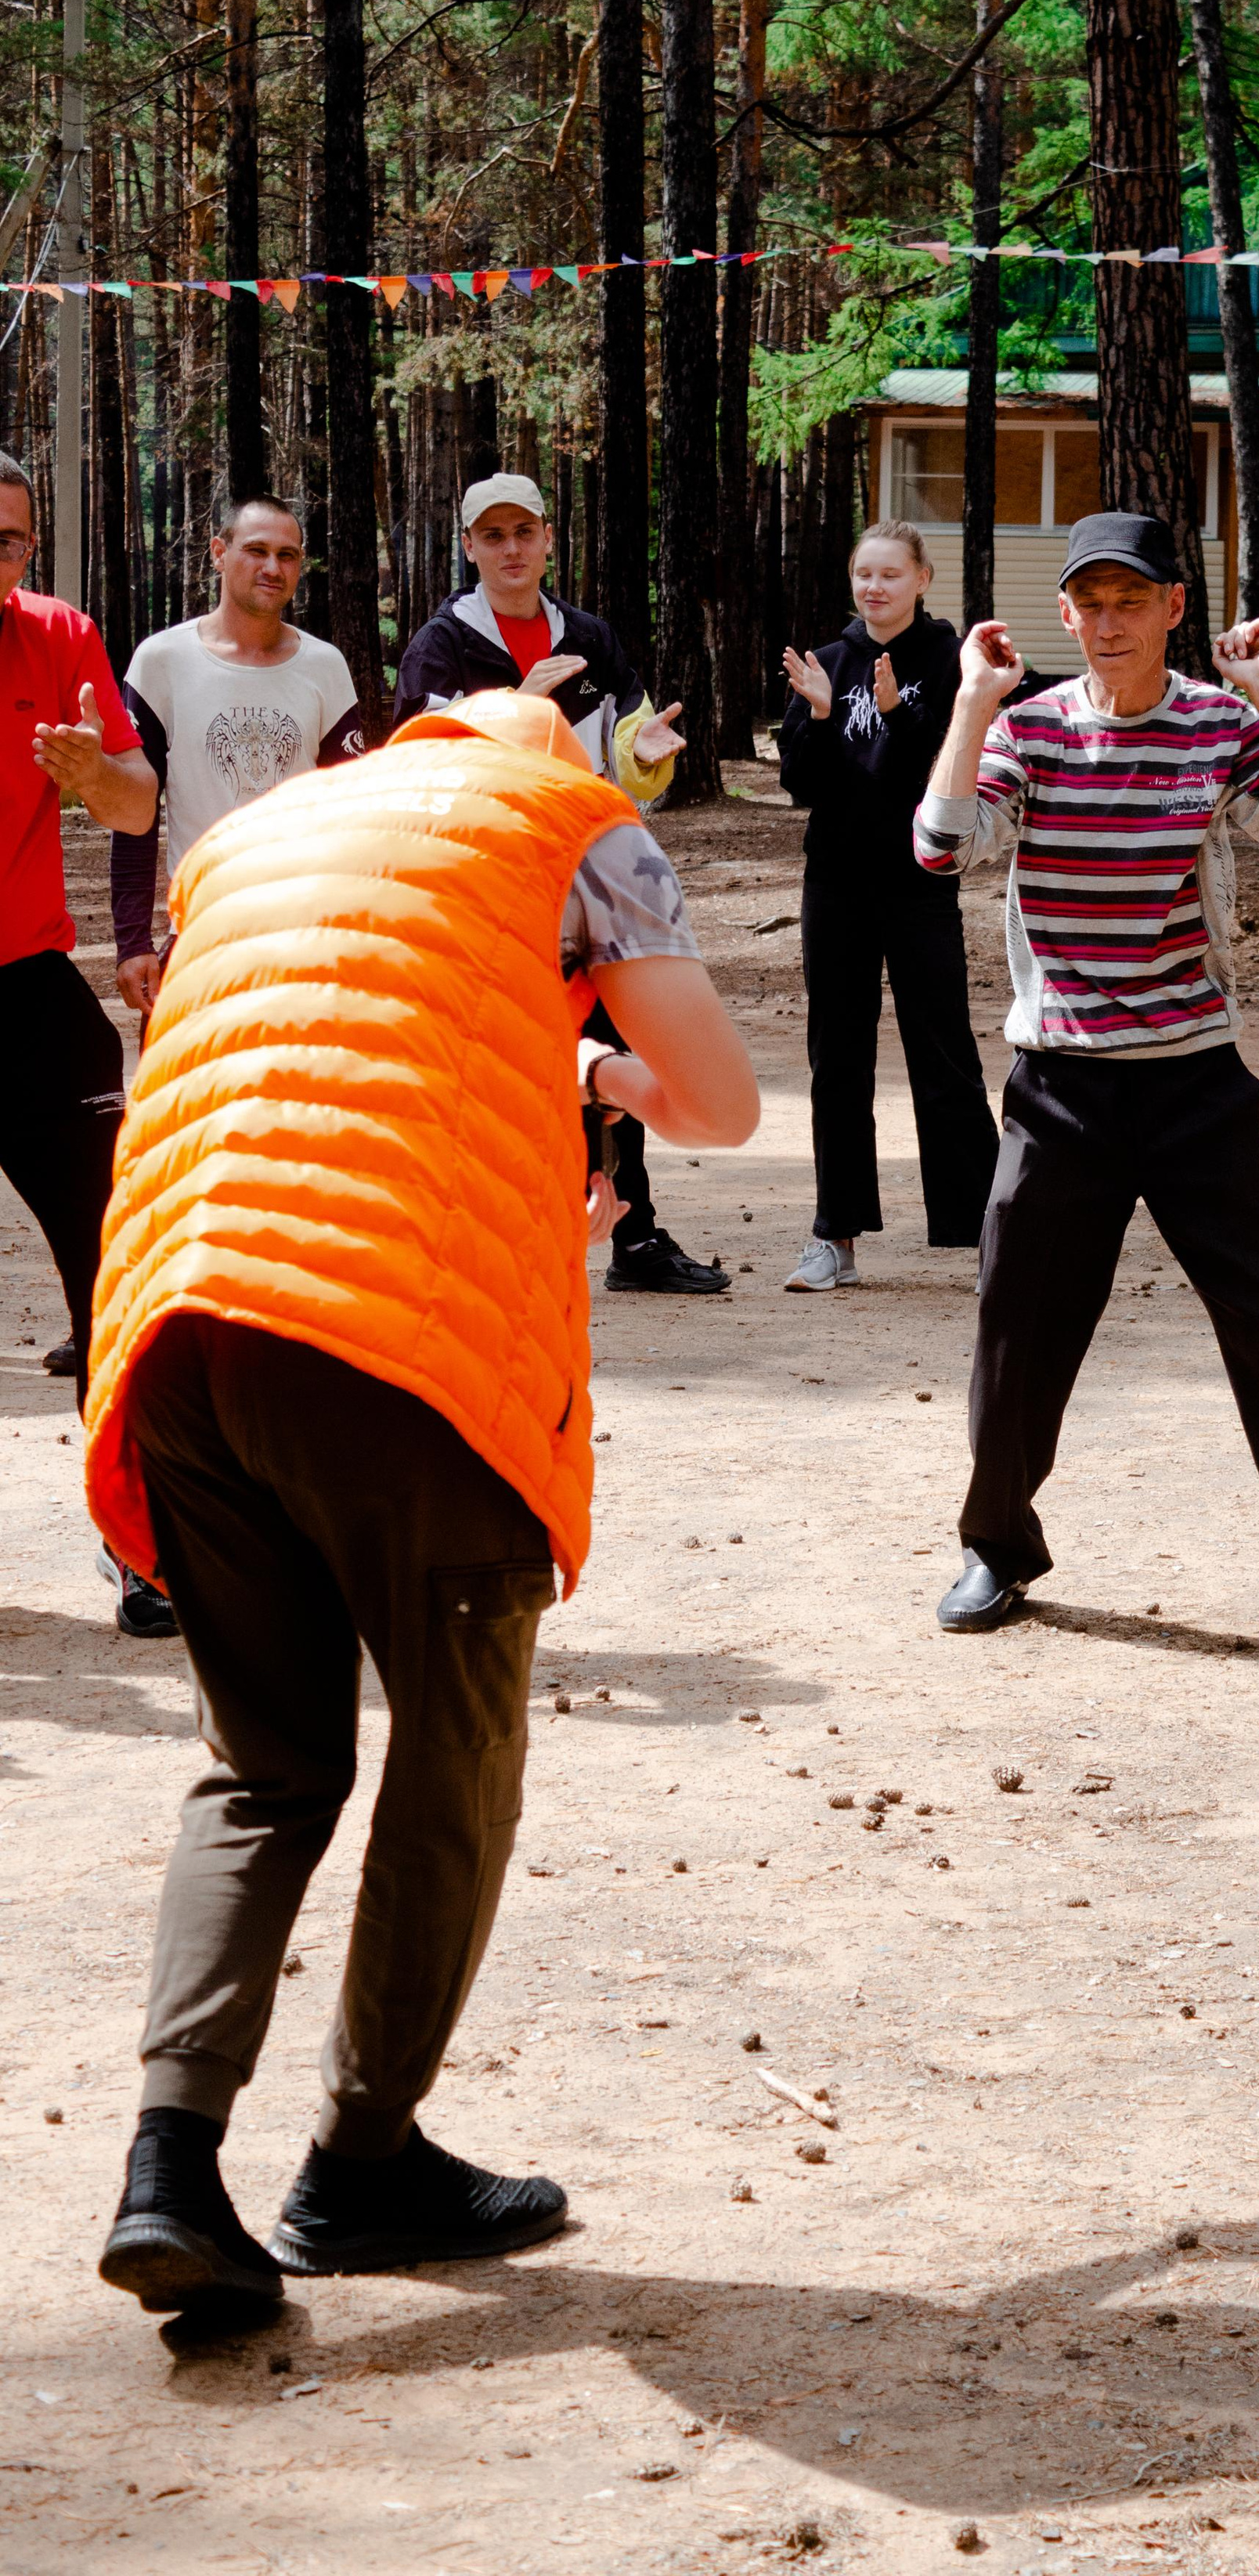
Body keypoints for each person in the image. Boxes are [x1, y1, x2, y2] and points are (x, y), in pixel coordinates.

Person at [88, 687, 758, 2318]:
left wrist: (561, 1072)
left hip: (179, 1321)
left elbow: (342, 1060)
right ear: (545, 768)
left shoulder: (259, 834)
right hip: (389, 1353)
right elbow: (723, 1104)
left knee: (264, 1767)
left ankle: (168, 2166)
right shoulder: (567, 826)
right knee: (451, 1756)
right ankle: (364, 2164)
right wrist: (617, 1069)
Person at [911, 510, 1259, 1647]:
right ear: (1064, 615)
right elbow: (940, 847)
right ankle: (997, 1550)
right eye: (1093, 603)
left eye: (1137, 601)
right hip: (1061, 1087)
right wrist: (974, 705)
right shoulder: (1029, 733)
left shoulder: (1217, 728)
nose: (1112, 622)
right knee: (1015, 1329)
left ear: (1177, 609)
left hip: (1194, 1083)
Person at [395, 472, 727, 1298]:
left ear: (548, 539)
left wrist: (645, 751)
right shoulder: (441, 647)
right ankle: (499, 1231)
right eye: (493, 536)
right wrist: (516, 705)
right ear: (469, 546)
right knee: (513, 1058)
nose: (511, 549)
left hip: (592, 883)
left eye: (525, 532)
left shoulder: (590, 636)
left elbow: (624, 766)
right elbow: (419, 771)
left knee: (616, 1052)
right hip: (492, 887)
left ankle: (635, 1234)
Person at [776, 519, 999, 1289]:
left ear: (921, 580)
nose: (875, 588)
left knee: (943, 1055)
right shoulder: (827, 662)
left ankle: (983, 1235)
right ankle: (833, 1237)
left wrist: (895, 713)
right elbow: (803, 785)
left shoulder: (948, 661)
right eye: (864, 574)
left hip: (919, 883)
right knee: (836, 1060)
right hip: (835, 884)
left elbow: (942, 774)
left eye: (890, 575)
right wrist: (815, 713)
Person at [0, 447, 157, 1499]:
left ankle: (142, 1537)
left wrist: (96, 772)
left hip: (28, 991)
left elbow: (137, 801)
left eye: (7, 539)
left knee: (116, 1269)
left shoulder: (59, 635)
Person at [110, 492, 363, 1024]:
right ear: (219, 552)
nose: (273, 567)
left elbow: (353, 819)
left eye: (287, 555)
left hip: (300, 940)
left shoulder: (325, 667)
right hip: (201, 934)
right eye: (256, 550)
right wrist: (133, 940)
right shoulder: (163, 662)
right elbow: (136, 815)